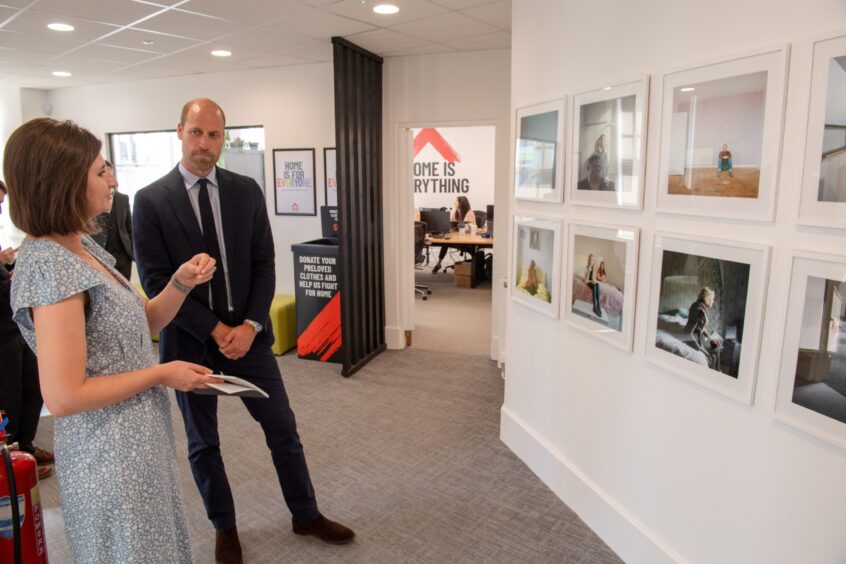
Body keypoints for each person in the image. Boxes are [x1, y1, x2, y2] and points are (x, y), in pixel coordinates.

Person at [133, 98, 355, 564]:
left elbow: (263, 262)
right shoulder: (150, 200)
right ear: (179, 131)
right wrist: (215, 330)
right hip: (188, 343)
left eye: (214, 135)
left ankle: (305, 512)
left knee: (283, 430)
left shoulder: (246, 191)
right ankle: (225, 527)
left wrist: (251, 325)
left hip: (249, 338)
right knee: (202, 443)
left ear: (223, 138)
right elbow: (155, 281)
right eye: (196, 133)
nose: (204, 144)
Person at [4, 117, 220, 562]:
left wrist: (179, 283)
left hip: (136, 436)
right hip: (108, 453)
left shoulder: (83, 247)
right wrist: (161, 372)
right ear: (63, 182)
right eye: (101, 171)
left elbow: (142, 321)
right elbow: (63, 396)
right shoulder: (51, 266)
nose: (114, 180)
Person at [0, 180, 54, 481]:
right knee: (9, 397)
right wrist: (13, 279)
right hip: (1, 334)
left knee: (31, 388)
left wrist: (9, 267)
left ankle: (27, 447)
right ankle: (11, 461)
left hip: (15, 326)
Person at [91, 160, 134, 280]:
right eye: (102, 175)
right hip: (101, 252)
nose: (113, 182)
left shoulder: (123, 199)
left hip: (123, 255)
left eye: (112, 174)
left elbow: (129, 227)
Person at [432, 195, 476, 274]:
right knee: (445, 244)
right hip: (456, 238)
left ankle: (475, 268)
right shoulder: (456, 211)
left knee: (473, 252)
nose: (454, 202)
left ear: (461, 203)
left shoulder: (470, 213)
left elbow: (465, 227)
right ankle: (438, 264)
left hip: (466, 239)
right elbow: (451, 223)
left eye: (456, 201)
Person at [685, 287, 722, 370]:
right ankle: (714, 371)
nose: (713, 302)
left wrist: (711, 339)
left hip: (697, 335)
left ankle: (718, 371)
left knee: (717, 346)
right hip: (691, 338)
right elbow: (689, 332)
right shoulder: (697, 309)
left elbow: (700, 328)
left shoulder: (701, 307)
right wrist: (699, 348)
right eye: (712, 299)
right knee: (712, 356)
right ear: (707, 299)